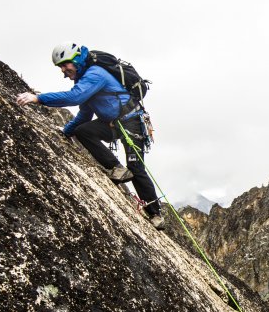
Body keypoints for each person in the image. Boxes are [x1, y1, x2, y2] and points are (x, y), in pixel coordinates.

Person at [16, 42, 164, 230]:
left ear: (76, 60)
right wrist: (66, 132)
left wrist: (38, 98)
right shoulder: (84, 81)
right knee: (83, 131)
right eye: (60, 67)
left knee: (136, 166)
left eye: (65, 64)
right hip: (113, 123)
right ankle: (116, 169)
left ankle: (156, 214)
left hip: (131, 121)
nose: (63, 70)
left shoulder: (95, 74)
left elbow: (74, 98)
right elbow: (85, 113)